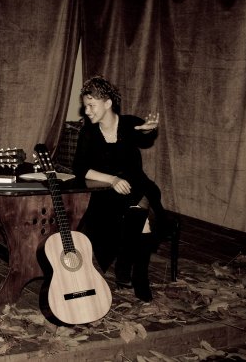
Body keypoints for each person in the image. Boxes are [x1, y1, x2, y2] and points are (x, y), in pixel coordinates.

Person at [72, 75, 174, 302]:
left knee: (142, 206)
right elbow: (80, 168)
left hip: (137, 184)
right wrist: (112, 180)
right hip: (105, 191)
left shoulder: (128, 123)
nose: (87, 111)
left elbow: (143, 133)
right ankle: (130, 271)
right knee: (142, 218)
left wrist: (148, 130)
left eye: (91, 105)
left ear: (108, 103)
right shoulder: (88, 133)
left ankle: (135, 273)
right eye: (85, 106)